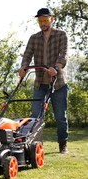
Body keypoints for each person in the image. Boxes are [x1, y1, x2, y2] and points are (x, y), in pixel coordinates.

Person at [19, 8, 69, 154]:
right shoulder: (34, 38)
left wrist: (57, 68)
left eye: (45, 20)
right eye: (40, 21)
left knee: (60, 117)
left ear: (51, 20)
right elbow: (27, 54)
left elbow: (64, 54)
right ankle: (35, 146)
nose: (42, 23)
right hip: (40, 83)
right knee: (35, 116)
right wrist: (23, 67)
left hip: (58, 83)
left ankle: (63, 144)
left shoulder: (61, 35)